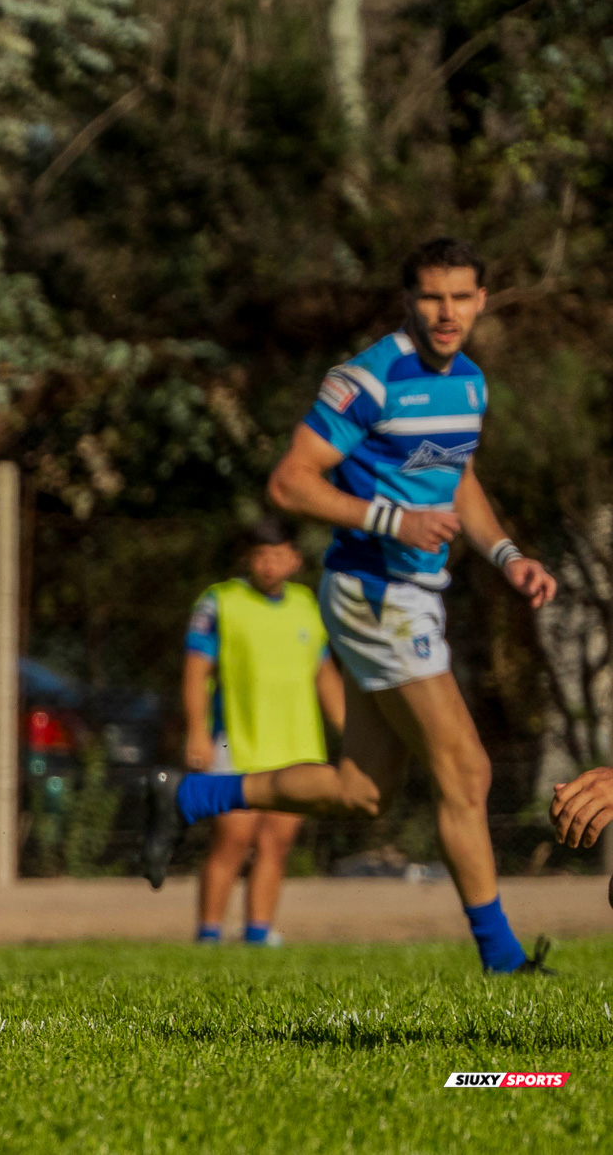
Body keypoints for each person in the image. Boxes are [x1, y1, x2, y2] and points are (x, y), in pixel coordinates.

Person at [144, 237, 558, 976]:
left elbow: (456, 480)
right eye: (432, 296)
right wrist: (391, 521)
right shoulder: (369, 378)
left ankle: (192, 796)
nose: (447, 312)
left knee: (362, 790)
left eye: (462, 297)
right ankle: (504, 959)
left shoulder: (469, 383)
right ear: (408, 299)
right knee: (467, 771)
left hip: (417, 595)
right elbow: (290, 482)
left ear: (482, 301)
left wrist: (508, 556)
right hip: (374, 592)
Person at [182, 517, 344, 946]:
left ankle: (257, 934)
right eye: (260, 556)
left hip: (295, 745)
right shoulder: (220, 602)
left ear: (294, 559)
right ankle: (208, 935)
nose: (269, 565)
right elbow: (196, 671)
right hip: (237, 740)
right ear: (248, 560)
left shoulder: (307, 604)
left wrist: (349, 731)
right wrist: (196, 731)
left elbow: (324, 674)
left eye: (277, 556)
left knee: (278, 842)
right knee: (233, 838)